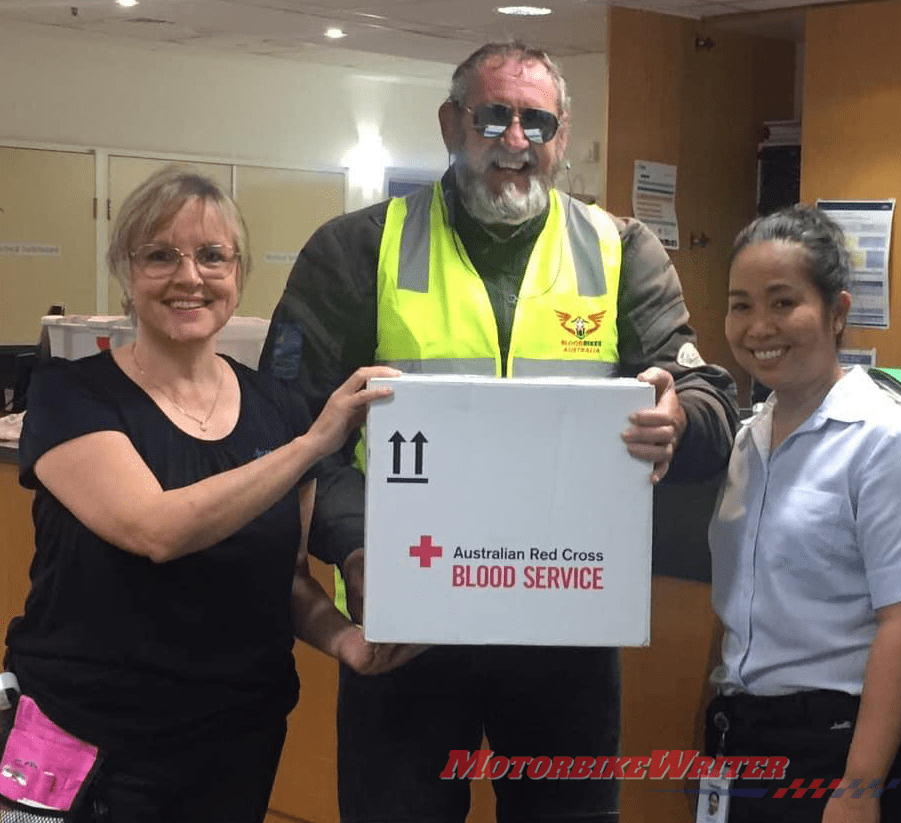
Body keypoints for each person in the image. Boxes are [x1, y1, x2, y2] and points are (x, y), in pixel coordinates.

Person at [260, 42, 739, 823]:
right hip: (402, 617)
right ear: (452, 122)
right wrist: (356, 543)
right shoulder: (356, 249)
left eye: (536, 121)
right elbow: (289, 431)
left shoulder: (621, 250)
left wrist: (678, 416)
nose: (514, 140)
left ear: (561, 133)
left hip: (566, 622)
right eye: (493, 116)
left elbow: (707, 398)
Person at [2, 167, 419, 823]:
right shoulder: (70, 394)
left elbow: (277, 578)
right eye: (160, 255)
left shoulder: (274, 407)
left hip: (237, 738)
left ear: (239, 272)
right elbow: (155, 530)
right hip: (85, 736)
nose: (189, 276)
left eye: (212, 255)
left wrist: (346, 640)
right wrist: (312, 443)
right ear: (127, 272)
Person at [705, 205, 901, 822]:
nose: (758, 327)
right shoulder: (749, 439)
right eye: (741, 304)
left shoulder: (885, 439)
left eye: (782, 302)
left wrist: (858, 790)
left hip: (838, 743)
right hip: (740, 736)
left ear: (837, 313)